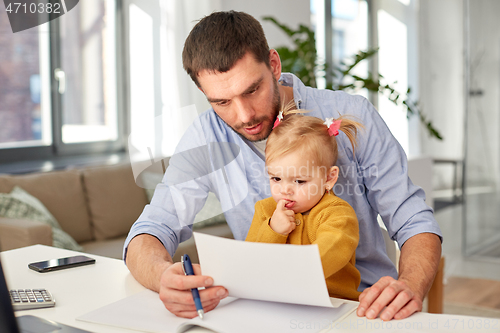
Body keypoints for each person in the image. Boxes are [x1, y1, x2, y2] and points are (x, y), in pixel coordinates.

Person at [123, 10, 442, 321]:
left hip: (362, 309)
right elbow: (153, 227)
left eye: (252, 90)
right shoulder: (204, 136)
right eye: (222, 102)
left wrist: (410, 285)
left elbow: (412, 218)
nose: (244, 115)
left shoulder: (350, 113)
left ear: (273, 65)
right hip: (265, 313)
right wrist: (163, 276)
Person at [245, 108, 362, 301]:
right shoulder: (265, 211)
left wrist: (281, 279)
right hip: (279, 303)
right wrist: (274, 230)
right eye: (276, 178)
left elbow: (326, 254)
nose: (285, 190)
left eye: (299, 181)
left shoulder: (338, 214)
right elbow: (251, 262)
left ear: (329, 178)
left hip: (335, 305)